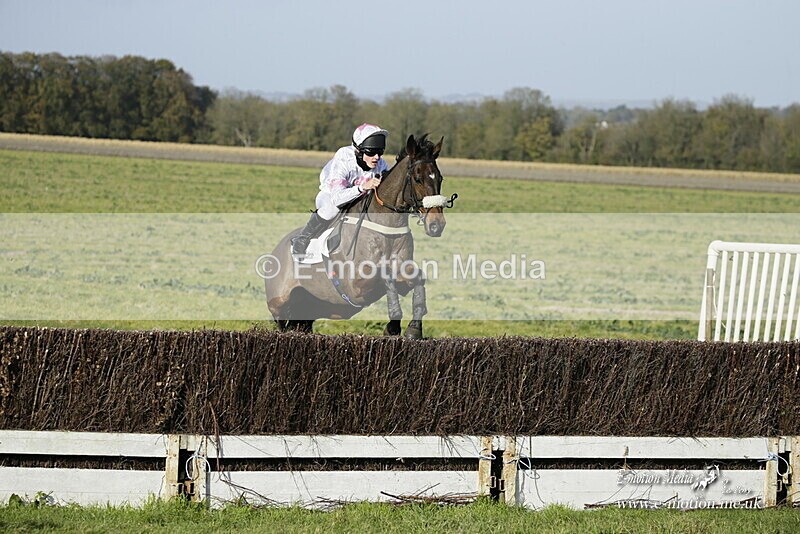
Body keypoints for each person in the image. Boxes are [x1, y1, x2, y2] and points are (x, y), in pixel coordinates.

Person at [291, 123, 390, 257]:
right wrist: (363, 187)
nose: (377, 157)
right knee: (332, 209)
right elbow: (337, 199)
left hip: (360, 201)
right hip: (331, 196)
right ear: (358, 151)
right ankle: (303, 238)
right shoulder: (344, 157)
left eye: (380, 152)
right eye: (371, 152)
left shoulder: (382, 164)